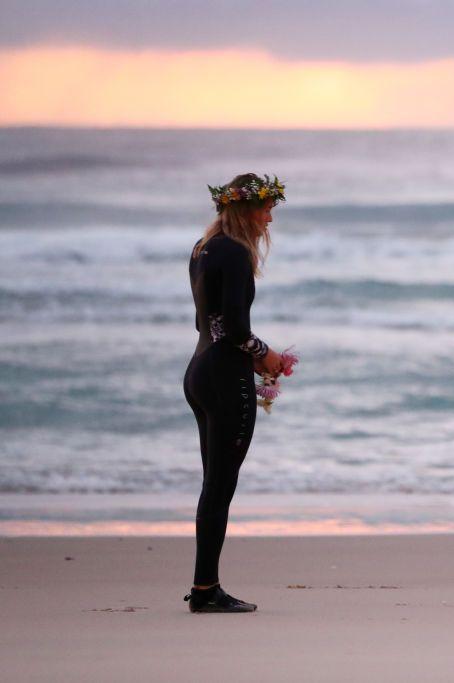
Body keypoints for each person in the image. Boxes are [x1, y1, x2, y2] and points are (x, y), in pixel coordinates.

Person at [182, 173, 286, 613]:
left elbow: (205, 322)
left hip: (199, 371)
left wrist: (248, 353)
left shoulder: (202, 249)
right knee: (220, 486)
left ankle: (206, 586)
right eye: (265, 210)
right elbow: (238, 331)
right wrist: (268, 356)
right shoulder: (237, 254)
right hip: (225, 378)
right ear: (245, 209)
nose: (268, 219)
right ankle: (206, 591)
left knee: (213, 484)